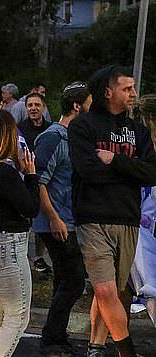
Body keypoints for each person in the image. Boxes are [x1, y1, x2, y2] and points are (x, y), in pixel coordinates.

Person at [69, 66, 156, 357]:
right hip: (92, 218)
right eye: (127, 88)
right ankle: (126, 352)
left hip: (127, 219)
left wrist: (115, 161)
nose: (133, 94)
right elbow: (87, 171)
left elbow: (152, 173)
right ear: (108, 92)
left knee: (111, 292)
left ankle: (95, 346)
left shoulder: (138, 131)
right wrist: (132, 172)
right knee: (106, 291)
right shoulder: (83, 126)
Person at [0, 109, 39, 357]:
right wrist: (30, 175)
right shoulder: (5, 172)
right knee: (17, 316)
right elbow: (30, 208)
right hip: (8, 246)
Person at [33, 82, 91, 356]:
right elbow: (39, 182)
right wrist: (54, 219)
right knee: (75, 281)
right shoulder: (53, 137)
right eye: (90, 105)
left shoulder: (73, 137)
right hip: (55, 222)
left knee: (64, 279)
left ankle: (56, 336)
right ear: (78, 106)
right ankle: (51, 338)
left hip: (68, 219)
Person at [17, 92, 53, 274]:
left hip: (44, 178)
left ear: (43, 107)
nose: (33, 108)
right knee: (25, 217)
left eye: (37, 105)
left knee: (42, 219)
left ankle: (39, 256)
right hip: (24, 176)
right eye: (30, 105)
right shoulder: (19, 128)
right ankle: (23, 255)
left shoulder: (50, 129)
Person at [130, 93, 156, 328]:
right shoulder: (143, 152)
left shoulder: (131, 149)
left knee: (151, 290)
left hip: (139, 229)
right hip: (144, 230)